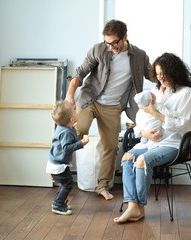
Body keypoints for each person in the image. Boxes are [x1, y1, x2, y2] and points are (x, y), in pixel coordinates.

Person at [65, 19, 152, 200]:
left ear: (125, 37)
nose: (111, 46)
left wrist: (170, 82)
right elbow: (80, 73)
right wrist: (70, 94)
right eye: (108, 42)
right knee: (79, 131)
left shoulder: (139, 56)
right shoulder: (99, 50)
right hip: (90, 100)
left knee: (111, 147)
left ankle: (102, 185)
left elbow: (152, 74)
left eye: (115, 42)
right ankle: (58, 168)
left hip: (113, 107)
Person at [113, 52, 191, 223]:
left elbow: (184, 125)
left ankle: (139, 207)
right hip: (150, 142)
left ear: (175, 72)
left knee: (142, 160)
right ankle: (132, 206)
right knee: (127, 158)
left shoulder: (186, 93)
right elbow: (141, 121)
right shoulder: (153, 92)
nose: (161, 77)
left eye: (164, 73)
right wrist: (144, 133)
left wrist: (155, 113)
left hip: (174, 144)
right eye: (158, 74)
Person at [46, 100, 89, 215]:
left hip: (56, 162)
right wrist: (81, 143)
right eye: (74, 111)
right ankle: (58, 204)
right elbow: (67, 148)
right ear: (71, 119)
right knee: (68, 184)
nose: (76, 111)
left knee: (66, 183)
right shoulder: (66, 132)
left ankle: (58, 201)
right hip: (58, 165)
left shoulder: (64, 128)